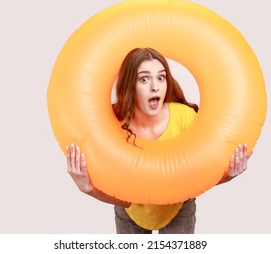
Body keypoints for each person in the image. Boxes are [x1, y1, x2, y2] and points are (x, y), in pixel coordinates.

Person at [66, 47, 252, 234]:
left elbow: (198, 178)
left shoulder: (185, 118)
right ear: (130, 85)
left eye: (161, 77)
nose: (155, 86)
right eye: (144, 79)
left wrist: (227, 175)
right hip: (130, 211)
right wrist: (88, 188)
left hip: (179, 208)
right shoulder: (115, 128)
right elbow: (127, 200)